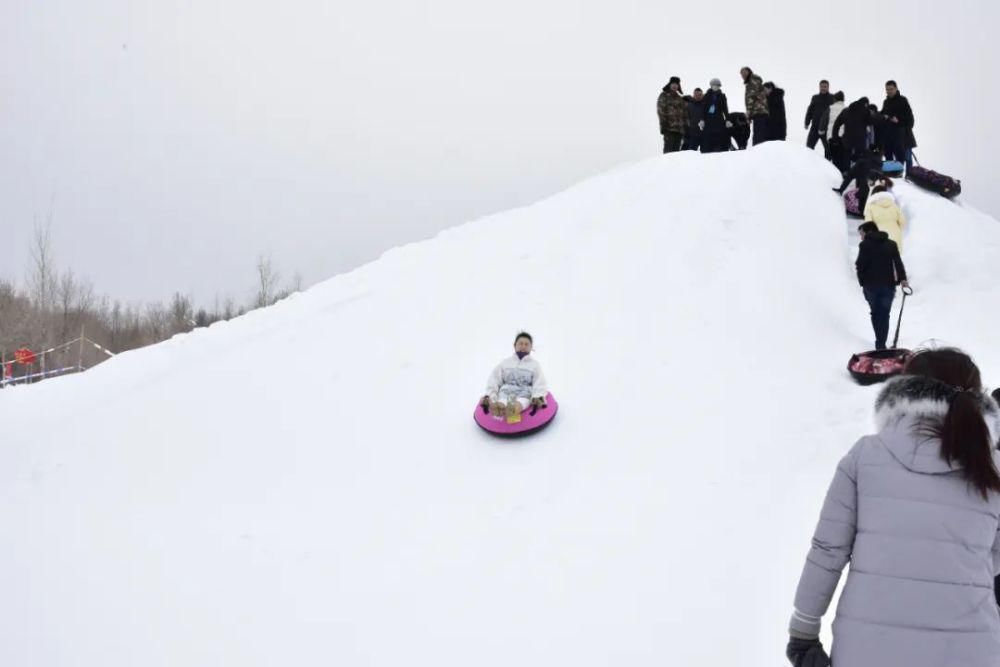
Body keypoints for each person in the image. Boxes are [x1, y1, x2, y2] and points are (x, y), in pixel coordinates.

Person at [787, 347, 1000, 667]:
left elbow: (828, 549)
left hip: (868, 651)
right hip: (970, 650)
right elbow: (991, 560)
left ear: (904, 390)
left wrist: (803, 631)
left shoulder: (866, 455)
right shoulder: (992, 469)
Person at [854, 221, 908, 350]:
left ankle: (880, 343)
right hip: (888, 285)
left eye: (861, 233)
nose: (861, 237)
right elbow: (898, 263)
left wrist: (862, 282)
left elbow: (859, 265)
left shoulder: (864, 245)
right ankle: (881, 342)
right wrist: (903, 279)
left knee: (875, 313)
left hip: (871, 286)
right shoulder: (891, 244)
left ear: (868, 231)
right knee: (884, 314)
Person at [480, 332, 549, 419]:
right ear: (514, 345)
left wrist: (537, 396)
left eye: (527, 344)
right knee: (502, 401)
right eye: (520, 343)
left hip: (524, 393)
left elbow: (539, 382)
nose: (523, 346)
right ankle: (499, 407)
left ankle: (512, 409)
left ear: (531, 348)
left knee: (519, 403)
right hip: (505, 392)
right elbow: (494, 379)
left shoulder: (534, 365)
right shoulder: (505, 363)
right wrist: (490, 396)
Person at [881, 80, 916, 172]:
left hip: (902, 139)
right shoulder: (886, 102)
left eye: (891, 89)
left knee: (906, 161)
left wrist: (898, 120)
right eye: (887, 89)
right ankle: (893, 180)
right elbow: (882, 115)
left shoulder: (903, 101)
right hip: (889, 139)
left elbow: (911, 121)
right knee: (889, 163)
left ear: (896, 88)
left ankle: (907, 181)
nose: (889, 91)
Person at [834, 148, 883, 212]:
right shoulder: (880, 164)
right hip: (876, 195)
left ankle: (862, 210)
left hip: (863, 194)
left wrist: (841, 189)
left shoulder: (861, 162)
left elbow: (850, 176)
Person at [832, 97, 873, 168]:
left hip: (847, 139)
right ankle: (859, 174)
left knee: (846, 157)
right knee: (860, 158)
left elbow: (836, 124)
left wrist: (835, 137)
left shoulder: (845, 110)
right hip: (860, 140)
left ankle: (846, 173)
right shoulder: (865, 111)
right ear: (866, 104)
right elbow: (871, 122)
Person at [865, 184, 907, 251]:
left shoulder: (870, 206)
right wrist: (897, 230)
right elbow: (903, 221)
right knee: (894, 258)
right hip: (895, 236)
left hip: (878, 237)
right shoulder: (894, 206)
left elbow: (868, 224)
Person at [699, 78, 733, 153]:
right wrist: (702, 119)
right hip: (708, 120)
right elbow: (703, 109)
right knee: (707, 138)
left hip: (719, 120)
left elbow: (725, 109)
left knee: (720, 136)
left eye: (717, 85)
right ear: (711, 86)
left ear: (719, 86)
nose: (715, 87)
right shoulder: (706, 96)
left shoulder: (722, 96)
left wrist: (727, 119)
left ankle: (721, 150)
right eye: (714, 85)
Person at [657, 77, 688, 153]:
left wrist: (686, 126)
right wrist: (663, 124)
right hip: (669, 129)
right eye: (673, 84)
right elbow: (660, 111)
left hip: (679, 130)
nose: (675, 86)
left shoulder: (680, 98)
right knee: (668, 152)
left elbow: (685, 114)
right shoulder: (664, 95)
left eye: (676, 84)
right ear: (670, 85)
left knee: (676, 154)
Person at [740, 66, 769, 145]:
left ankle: (757, 152)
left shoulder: (752, 82)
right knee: (760, 133)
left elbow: (751, 98)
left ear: (749, 72)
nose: (742, 76)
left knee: (758, 136)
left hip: (758, 111)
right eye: (741, 74)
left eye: (744, 73)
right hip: (762, 111)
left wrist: (748, 114)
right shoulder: (756, 81)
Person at [805, 80, 834, 152]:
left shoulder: (832, 98)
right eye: (821, 87)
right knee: (809, 147)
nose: (823, 88)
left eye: (825, 87)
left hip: (826, 129)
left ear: (828, 87)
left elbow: (835, 112)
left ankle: (827, 163)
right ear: (819, 87)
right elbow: (810, 111)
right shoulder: (815, 98)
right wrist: (807, 122)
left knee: (829, 150)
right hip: (815, 127)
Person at [824, 92, 847, 170]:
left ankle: (836, 175)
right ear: (843, 99)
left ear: (834, 99)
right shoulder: (847, 109)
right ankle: (843, 173)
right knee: (843, 157)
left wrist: (821, 131)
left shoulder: (830, 108)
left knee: (835, 158)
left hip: (832, 136)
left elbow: (823, 121)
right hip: (844, 136)